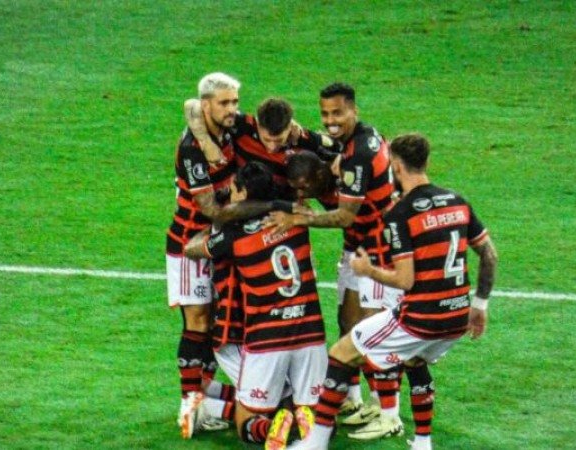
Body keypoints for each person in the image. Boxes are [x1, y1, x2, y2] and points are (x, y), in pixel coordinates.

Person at [287, 133, 499, 450]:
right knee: (413, 360)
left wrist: (368, 270)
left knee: (342, 353)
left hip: (420, 319)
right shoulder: (458, 201)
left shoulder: (401, 213)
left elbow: (405, 280)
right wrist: (479, 305)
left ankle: (315, 442)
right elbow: (489, 255)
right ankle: (422, 443)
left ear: (396, 166)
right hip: (457, 318)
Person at [167, 72, 297, 439]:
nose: (233, 109)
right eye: (225, 103)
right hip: (191, 241)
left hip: (222, 241)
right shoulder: (192, 148)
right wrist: (269, 205)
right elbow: (209, 208)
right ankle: (190, 403)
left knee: (218, 324)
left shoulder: (232, 127)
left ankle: (208, 400)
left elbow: (192, 106)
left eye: (235, 101)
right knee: (197, 322)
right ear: (207, 105)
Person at [266, 83, 402, 428]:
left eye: (338, 113)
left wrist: (299, 219)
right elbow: (327, 144)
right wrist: (303, 135)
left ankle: (386, 412)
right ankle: (352, 399)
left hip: (378, 250)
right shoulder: (359, 138)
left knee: (373, 331)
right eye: (325, 113)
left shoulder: (359, 155)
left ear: (353, 110)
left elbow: (345, 216)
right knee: (349, 323)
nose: (330, 120)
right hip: (358, 247)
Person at [186, 162, 328, 449]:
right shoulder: (296, 218)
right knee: (317, 412)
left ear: (241, 193)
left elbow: (191, 249)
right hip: (310, 330)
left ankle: (270, 427)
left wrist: (217, 222)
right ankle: (304, 422)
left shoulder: (233, 236)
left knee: (246, 422)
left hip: (266, 336)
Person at [185, 97, 341, 199]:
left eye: (279, 140)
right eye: (266, 140)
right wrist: (205, 141)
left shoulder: (301, 138)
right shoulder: (242, 126)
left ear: (289, 127)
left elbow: (339, 146)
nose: (272, 148)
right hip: (241, 207)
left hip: (279, 214)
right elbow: (193, 105)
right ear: (257, 124)